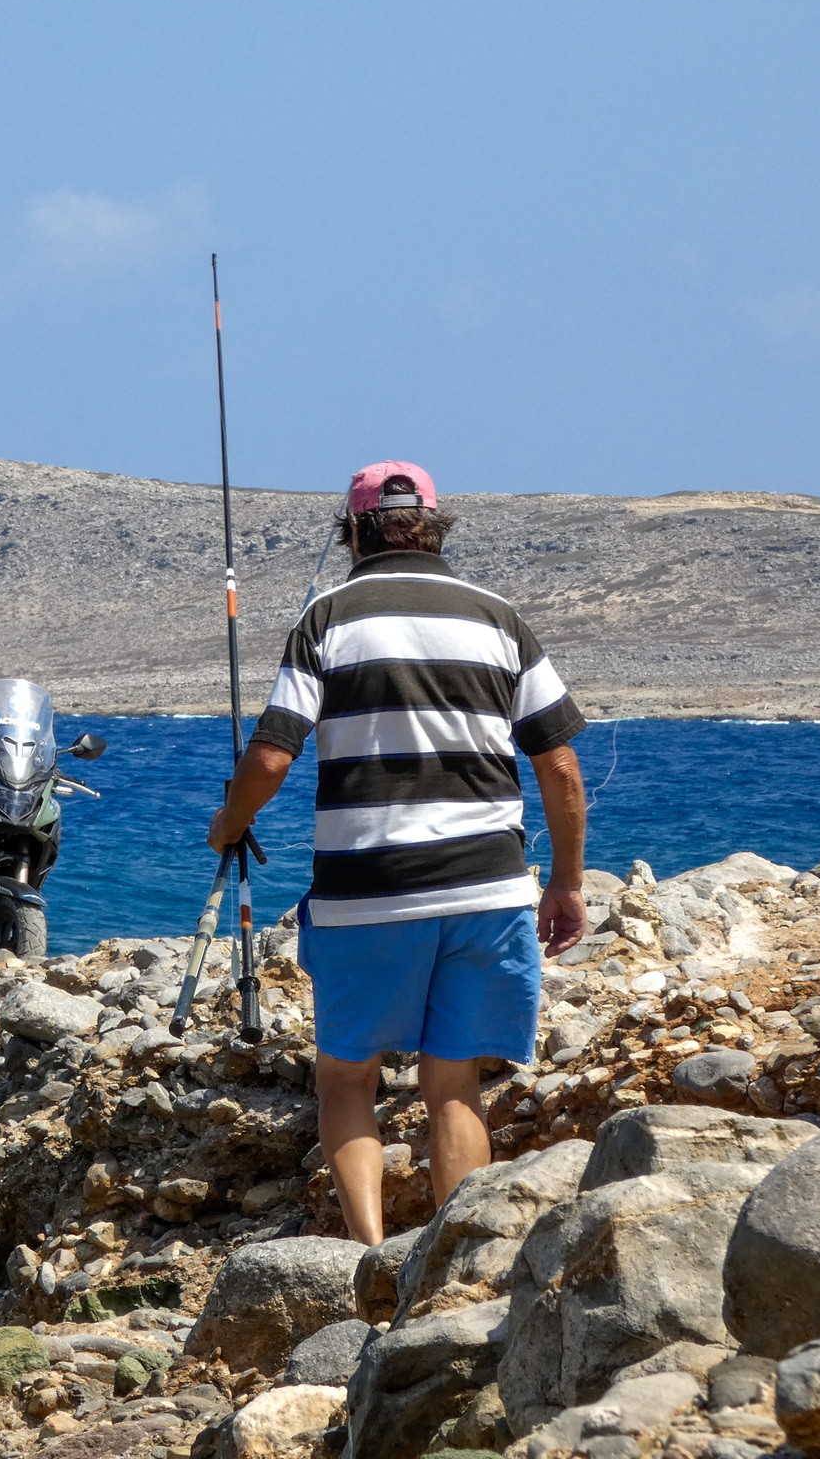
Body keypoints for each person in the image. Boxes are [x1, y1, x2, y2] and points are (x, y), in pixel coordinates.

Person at [206, 459, 589, 1244]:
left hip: (366, 893)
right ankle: (463, 1258)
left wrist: (228, 822)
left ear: (353, 532)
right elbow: (558, 763)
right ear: (432, 524)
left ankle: (370, 1259)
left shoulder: (329, 619)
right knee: (453, 1084)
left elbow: (273, 756)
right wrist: (567, 882)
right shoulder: (498, 617)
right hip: (487, 891)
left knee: (346, 1077)